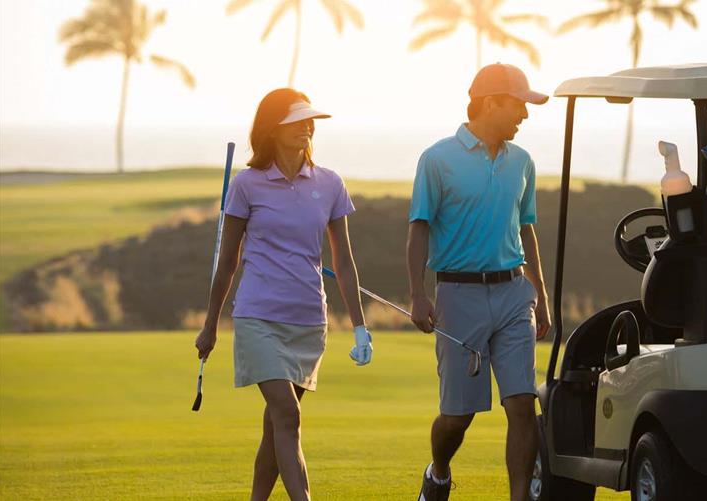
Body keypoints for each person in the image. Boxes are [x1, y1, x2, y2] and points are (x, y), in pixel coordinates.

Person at [194, 88, 372, 501]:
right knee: (287, 414)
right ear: (272, 128)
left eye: (310, 120)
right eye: (296, 121)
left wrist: (360, 328)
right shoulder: (247, 185)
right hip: (259, 317)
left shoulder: (330, 183)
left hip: (308, 321)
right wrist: (210, 326)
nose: (306, 127)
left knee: (276, 425)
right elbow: (228, 262)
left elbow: (344, 262)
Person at [407, 63, 551, 501]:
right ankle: (438, 472)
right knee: (457, 417)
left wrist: (541, 295)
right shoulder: (437, 159)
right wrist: (417, 294)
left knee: (522, 403)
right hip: (458, 295)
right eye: (518, 105)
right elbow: (419, 229)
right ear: (490, 103)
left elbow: (526, 229)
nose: (524, 115)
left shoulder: (522, 161)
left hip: (514, 294)